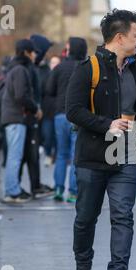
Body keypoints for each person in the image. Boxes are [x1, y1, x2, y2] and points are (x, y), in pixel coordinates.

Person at [66, 9, 136, 270]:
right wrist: (107, 124)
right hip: (92, 155)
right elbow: (73, 111)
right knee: (86, 217)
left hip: (126, 154)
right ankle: (83, 267)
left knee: (123, 216)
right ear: (120, 37)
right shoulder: (88, 68)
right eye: (135, 34)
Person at [46, 37, 88, 203]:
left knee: (61, 154)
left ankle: (58, 188)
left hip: (59, 115)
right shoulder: (85, 67)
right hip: (77, 116)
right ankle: (73, 191)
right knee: (75, 154)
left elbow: (48, 89)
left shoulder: (60, 67)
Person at [1, 39, 40, 203]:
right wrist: (35, 108)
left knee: (14, 155)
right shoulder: (20, 70)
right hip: (16, 117)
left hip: (12, 117)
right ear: (26, 52)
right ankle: (12, 191)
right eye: (32, 52)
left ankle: (13, 188)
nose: (34, 55)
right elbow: (20, 95)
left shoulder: (13, 68)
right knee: (14, 156)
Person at [17, 34, 54, 199]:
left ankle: (34, 184)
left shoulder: (34, 68)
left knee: (29, 152)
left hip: (31, 115)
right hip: (28, 116)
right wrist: (35, 108)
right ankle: (22, 187)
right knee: (26, 153)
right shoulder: (30, 69)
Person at [41, 55, 61, 167]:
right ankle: (48, 154)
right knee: (47, 137)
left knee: (58, 137)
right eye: (52, 63)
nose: (54, 65)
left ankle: (55, 156)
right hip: (47, 113)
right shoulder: (45, 77)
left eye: (56, 62)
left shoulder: (62, 76)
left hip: (58, 112)